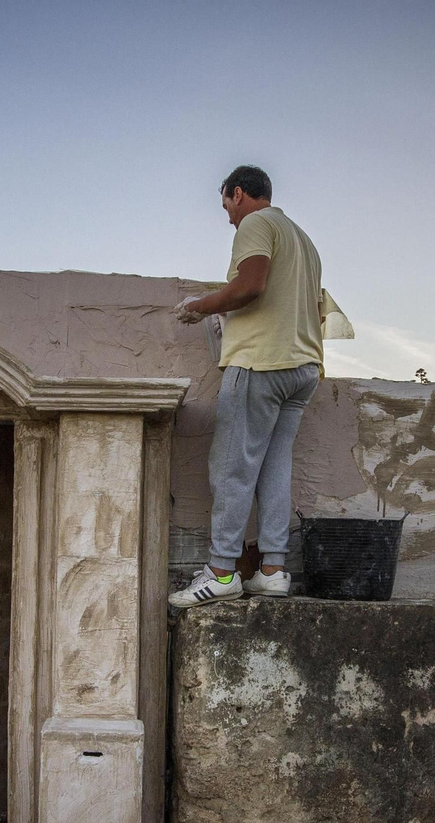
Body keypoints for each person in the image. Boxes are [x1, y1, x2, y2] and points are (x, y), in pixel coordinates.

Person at [170, 165, 324, 609]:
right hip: (303, 368)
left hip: (262, 363)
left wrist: (199, 307)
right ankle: (273, 571)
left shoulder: (257, 223)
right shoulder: (304, 240)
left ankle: (221, 573)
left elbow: (251, 285)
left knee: (232, 468)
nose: (229, 219)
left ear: (238, 193)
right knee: (274, 469)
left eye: (226, 206)